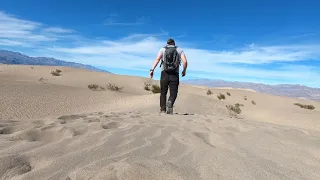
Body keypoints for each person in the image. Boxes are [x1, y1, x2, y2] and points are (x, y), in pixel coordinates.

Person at [149, 38, 188, 114]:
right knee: (173, 93)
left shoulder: (162, 49)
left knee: (163, 92)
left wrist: (152, 70)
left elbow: (157, 59)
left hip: (164, 73)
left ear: (167, 43)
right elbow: (185, 61)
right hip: (174, 74)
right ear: (174, 43)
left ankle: (163, 110)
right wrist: (184, 71)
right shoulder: (179, 50)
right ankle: (170, 101)